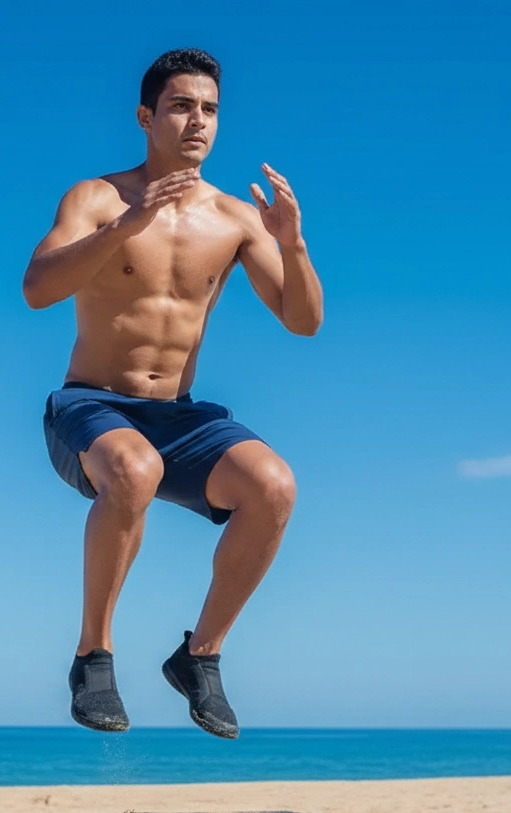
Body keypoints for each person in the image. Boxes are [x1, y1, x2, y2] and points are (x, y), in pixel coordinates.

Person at [23, 48, 323, 739]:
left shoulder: (234, 219)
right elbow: (37, 288)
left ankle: (200, 656)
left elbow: (304, 322)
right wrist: (119, 231)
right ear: (145, 116)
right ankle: (92, 655)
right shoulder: (97, 197)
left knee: (274, 486)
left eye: (210, 109)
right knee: (134, 469)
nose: (198, 122)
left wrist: (293, 243)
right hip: (91, 408)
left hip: (180, 416)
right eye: (182, 106)